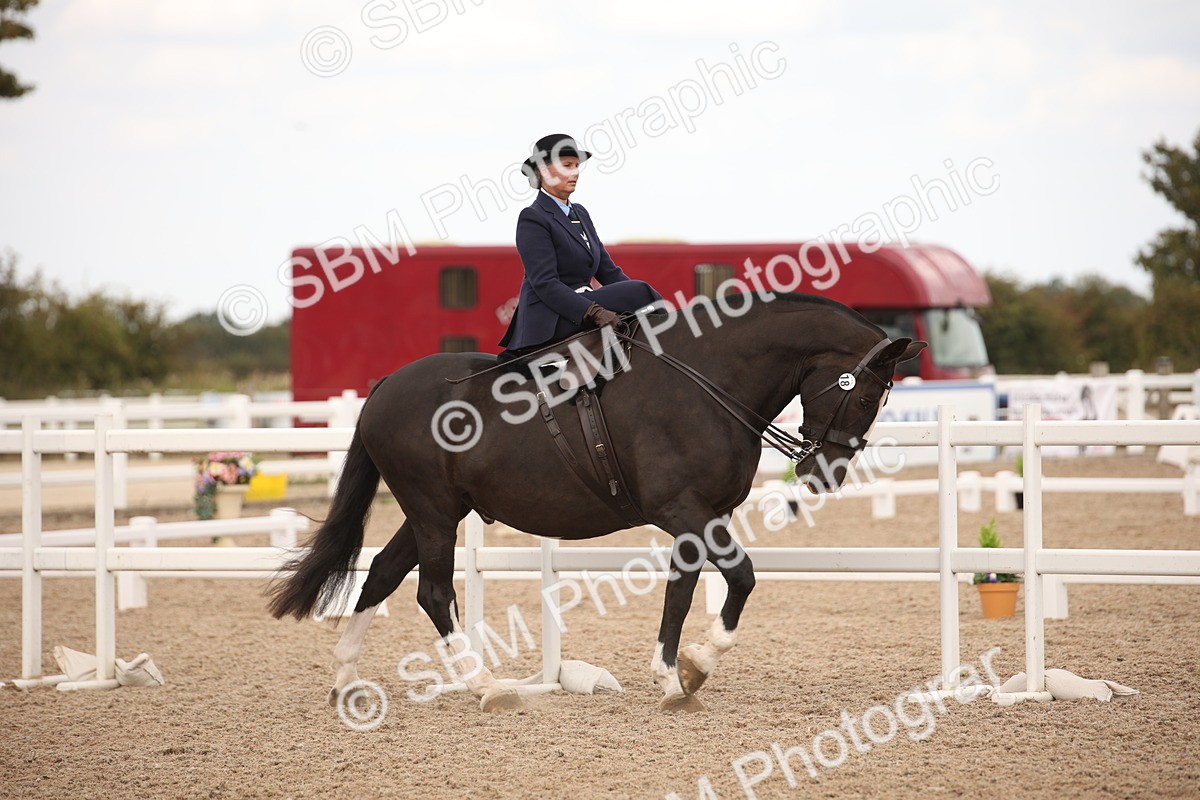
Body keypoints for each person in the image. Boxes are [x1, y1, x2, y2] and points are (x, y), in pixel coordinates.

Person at [497, 133, 662, 358]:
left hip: (582, 304)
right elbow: (545, 283)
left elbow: (609, 272)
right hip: (552, 315)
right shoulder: (533, 217)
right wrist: (593, 311)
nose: (575, 172)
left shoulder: (581, 213)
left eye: (576, 166)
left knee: (639, 294)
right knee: (640, 291)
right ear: (543, 171)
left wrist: (640, 301)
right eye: (567, 166)